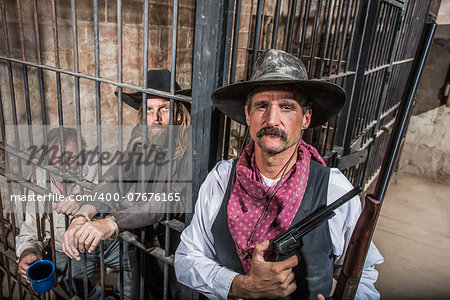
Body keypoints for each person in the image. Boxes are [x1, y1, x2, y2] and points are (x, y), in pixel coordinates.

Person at [174, 49, 383, 300]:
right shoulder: (221, 179)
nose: (272, 120)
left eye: (286, 107)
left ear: (305, 118)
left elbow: (363, 273)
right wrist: (241, 285)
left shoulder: (333, 189)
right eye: (262, 106)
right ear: (248, 115)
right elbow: (187, 259)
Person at [61, 69, 191, 299]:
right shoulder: (140, 138)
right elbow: (117, 176)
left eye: (164, 109)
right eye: (149, 110)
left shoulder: (191, 149)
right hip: (141, 234)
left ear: (178, 115)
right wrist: (85, 212)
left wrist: (111, 222)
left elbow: (165, 200)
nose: (156, 117)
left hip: (177, 243)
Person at [16, 127, 132, 299]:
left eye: (71, 157)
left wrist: (88, 201)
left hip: (107, 241)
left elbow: (128, 198)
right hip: (67, 248)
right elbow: (31, 231)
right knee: (76, 293)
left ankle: (125, 294)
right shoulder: (36, 182)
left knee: (140, 267)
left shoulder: (98, 168)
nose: (63, 163)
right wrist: (28, 253)